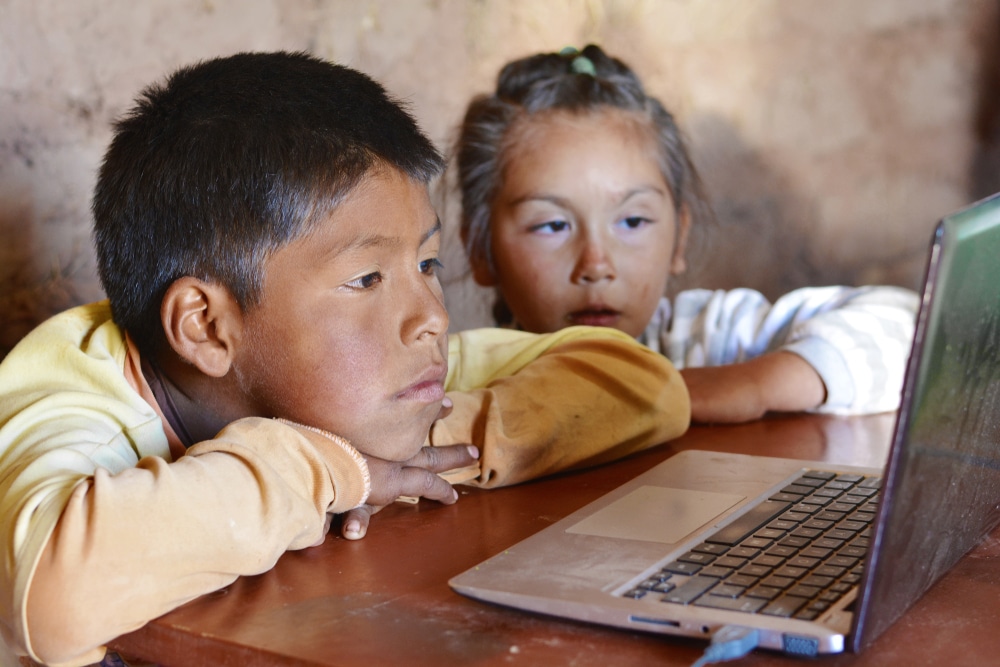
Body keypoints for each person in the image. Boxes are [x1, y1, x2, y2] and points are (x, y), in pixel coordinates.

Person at [0, 51, 690, 667]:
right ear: (207, 326)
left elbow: (639, 381)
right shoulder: (71, 398)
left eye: (428, 262)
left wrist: (413, 453)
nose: (432, 316)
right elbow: (53, 599)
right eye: (367, 279)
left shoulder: (373, 366)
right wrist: (333, 467)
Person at [454, 44, 920, 424]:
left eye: (633, 222)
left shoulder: (699, 341)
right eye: (553, 225)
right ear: (481, 249)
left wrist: (753, 384)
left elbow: (914, 328)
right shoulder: (458, 386)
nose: (597, 264)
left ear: (678, 239)